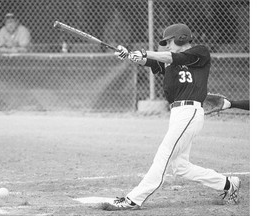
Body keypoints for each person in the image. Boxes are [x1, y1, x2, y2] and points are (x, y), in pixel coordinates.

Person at [102, 23, 241, 211]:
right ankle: (228, 184)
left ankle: (133, 199)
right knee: (181, 167)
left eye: (169, 41)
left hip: (189, 112)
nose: (167, 45)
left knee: (164, 154)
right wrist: (129, 55)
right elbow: (150, 61)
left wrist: (144, 53)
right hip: (177, 114)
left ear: (181, 38)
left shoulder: (199, 52)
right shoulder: (168, 61)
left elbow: (170, 56)